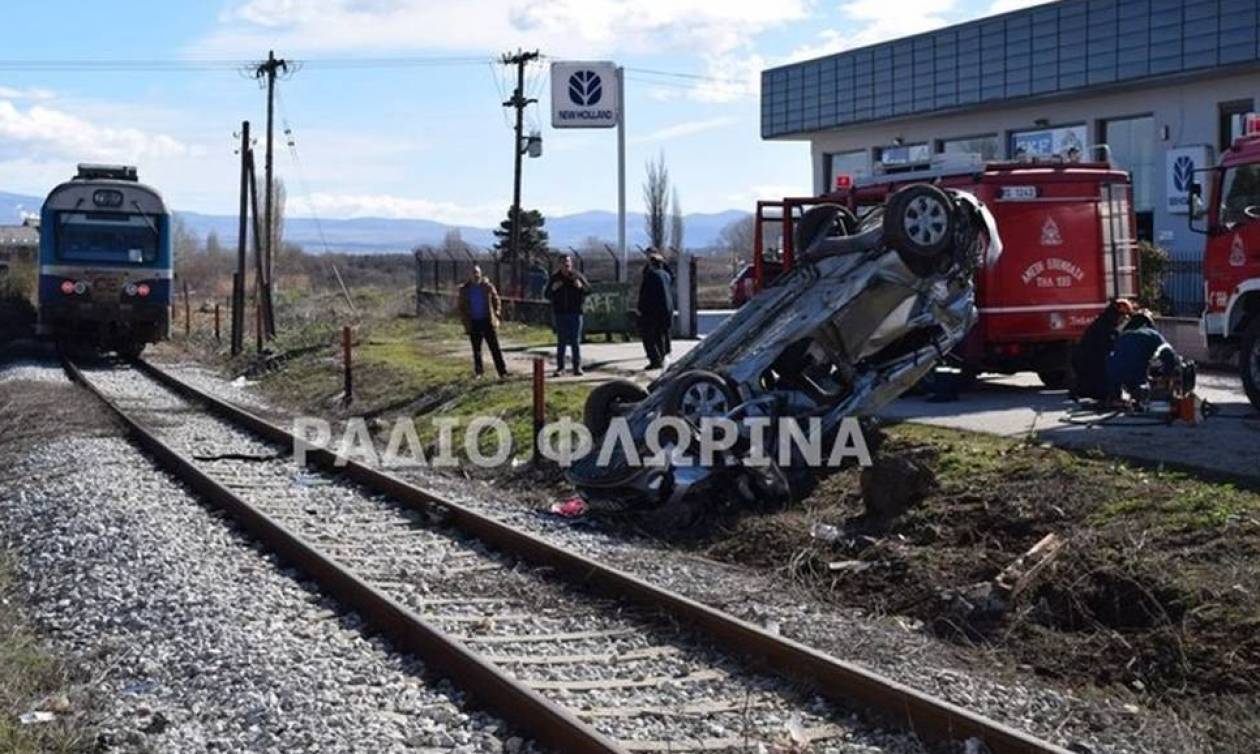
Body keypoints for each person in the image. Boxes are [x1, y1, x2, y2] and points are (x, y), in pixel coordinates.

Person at [1070, 298, 1133, 401]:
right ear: (1117, 314)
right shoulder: (1106, 328)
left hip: (1087, 360)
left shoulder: (1103, 323)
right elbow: (1108, 348)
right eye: (1123, 317)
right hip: (1091, 361)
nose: (1123, 320)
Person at [1105, 310, 1174, 404]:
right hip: (1136, 375)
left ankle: (1115, 397)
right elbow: (1168, 354)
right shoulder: (1153, 334)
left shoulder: (1123, 335)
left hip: (1114, 375)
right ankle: (1140, 397)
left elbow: (1118, 357)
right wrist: (1167, 374)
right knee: (1139, 377)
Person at [457, 265, 508, 379]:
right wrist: (464, 319)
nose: (475, 275)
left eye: (477, 272)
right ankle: (479, 372)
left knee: (494, 347)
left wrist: (497, 312)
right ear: (469, 275)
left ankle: (502, 371)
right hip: (473, 321)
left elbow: (496, 300)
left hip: (487, 320)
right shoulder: (465, 289)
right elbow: (461, 306)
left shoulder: (487, 287)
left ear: (480, 273)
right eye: (473, 273)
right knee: (476, 349)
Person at [544, 254, 590, 376]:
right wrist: (553, 288)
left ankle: (577, 367)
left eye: (568, 262)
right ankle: (560, 368)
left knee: (575, 341)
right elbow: (546, 295)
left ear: (571, 264)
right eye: (564, 263)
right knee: (562, 341)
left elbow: (589, 290)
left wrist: (581, 287)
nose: (566, 265)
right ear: (560, 265)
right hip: (560, 314)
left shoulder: (577, 276)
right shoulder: (555, 278)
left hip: (575, 313)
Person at [637, 252, 674, 370]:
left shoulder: (650, 275)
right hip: (667, 309)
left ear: (651, 264)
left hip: (653, 311)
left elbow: (644, 294)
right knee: (662, 335)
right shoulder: (666, 275)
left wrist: (640, 309)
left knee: (648, 336)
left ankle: (655, 360)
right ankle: (664, 357)